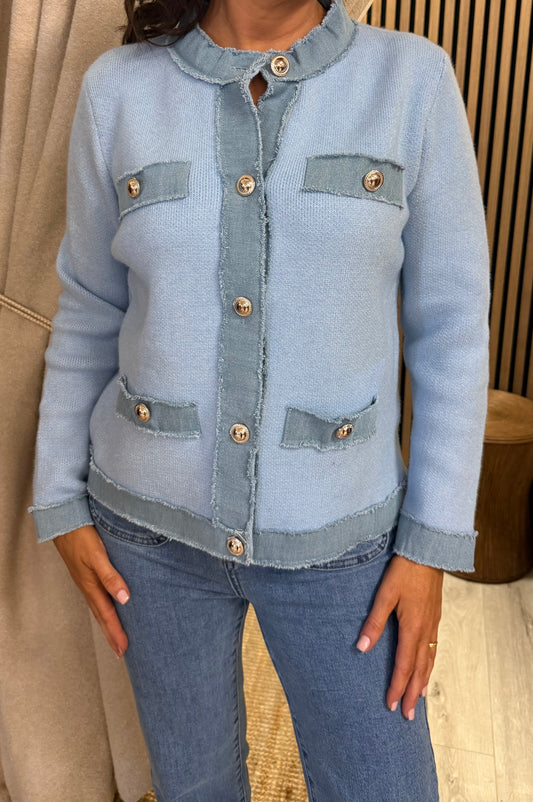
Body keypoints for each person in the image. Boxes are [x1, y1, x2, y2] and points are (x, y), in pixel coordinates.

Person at [27, 0, 491, 799]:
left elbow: (450, 331)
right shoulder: (117, 90)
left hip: (343, 544)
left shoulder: (410, 79)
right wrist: (59, 499)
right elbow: (90, 310)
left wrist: (428, 545)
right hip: (147, 534)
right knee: (193, 785)